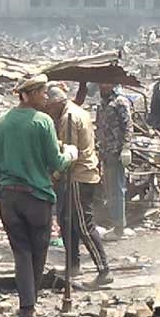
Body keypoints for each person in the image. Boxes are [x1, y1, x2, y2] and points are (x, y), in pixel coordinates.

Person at [0, 74, 78, 317]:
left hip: (9, 197)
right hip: (37, 198)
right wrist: (70, 154)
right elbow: (56, 162)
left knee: (21, 252)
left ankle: (26, 306)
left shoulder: (2, 123)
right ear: (26, 95)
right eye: (41, 92)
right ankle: (30, 306)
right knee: (37, 252)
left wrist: (1, 196)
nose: (45, 97)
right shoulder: (43, 122)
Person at [44, 85, 112, 288]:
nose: (48, 112)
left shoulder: (69, 118)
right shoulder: (77, 111)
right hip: (82, 174)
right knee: (67, 222)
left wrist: (55, 175)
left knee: (83, 225)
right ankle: (73, 264)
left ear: (56, 104)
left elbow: (70, 153)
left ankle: (104, 269)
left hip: (78, 176)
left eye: (49, 108)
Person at [95, 83, 133, 241]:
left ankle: (119, 229)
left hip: (116, 153)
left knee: (117, 190)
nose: (102, 86)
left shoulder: (120, 102)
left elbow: (128, 125)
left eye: (106, 82)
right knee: (110, 190)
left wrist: (126, 147)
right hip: (105, 152)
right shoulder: (102, 104)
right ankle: (118, 225)